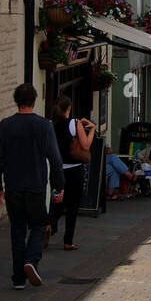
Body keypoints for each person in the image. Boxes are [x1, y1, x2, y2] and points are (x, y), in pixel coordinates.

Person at [0, 83, 64, 289]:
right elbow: (56, 160)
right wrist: (59, 187)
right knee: (39, 226)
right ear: (34, 100)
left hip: (13, 186)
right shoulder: (44, 126)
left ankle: (18, 279)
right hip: (36, 187)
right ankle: (31, 260)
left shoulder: (5, 125)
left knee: (17, 230)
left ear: (17, 100)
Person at [50, 96, 93, 251]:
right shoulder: (74, 123)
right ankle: (68, 241)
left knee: (57, 201)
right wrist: (92, 129)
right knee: (72, 206)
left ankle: (50, 225)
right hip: (74, 169)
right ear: (69, 107)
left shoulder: (51, 124)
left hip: (57, 170)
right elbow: (86, 146)